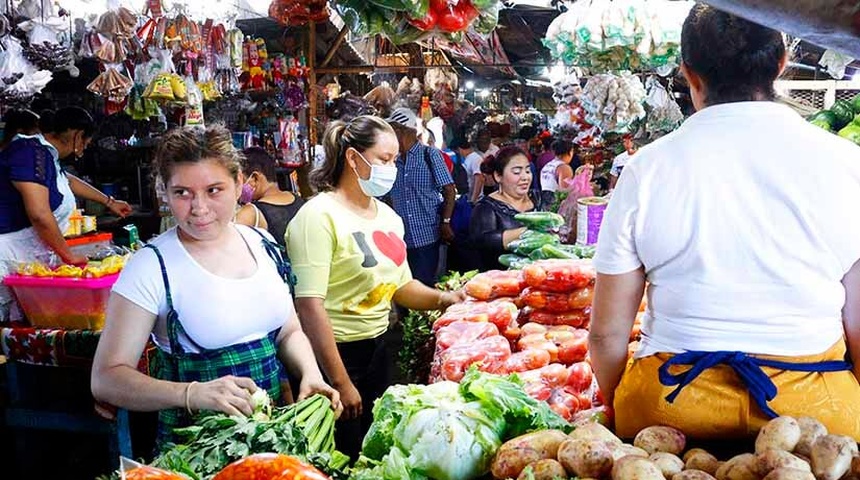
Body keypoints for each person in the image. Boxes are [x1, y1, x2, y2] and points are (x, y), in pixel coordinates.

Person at [589, 4, 860, 440]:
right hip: (814, 409)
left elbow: (606, 336)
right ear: (780, 64)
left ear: (689, 74)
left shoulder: (646, 169)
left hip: (671, 405)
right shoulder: (850, 163)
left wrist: (619, 405)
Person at [91, 125, 341, 450]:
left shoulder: (262, 244)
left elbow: (288, 331)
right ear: (163, 192)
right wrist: (191, 393)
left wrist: (310, 373)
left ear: (239, 184)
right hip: (196, 453)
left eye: (214, 190)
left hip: (272, 442)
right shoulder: (151, 267)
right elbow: (106, 378)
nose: (199, 208)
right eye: (182, 192)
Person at [285, 115, 466, 459]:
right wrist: (340, 381)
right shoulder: (318, 216)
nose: (392, 168)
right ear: (353, 158)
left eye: (395, 160)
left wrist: (446, 299)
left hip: (379, 349)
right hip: (333, 355)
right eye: (384, 160)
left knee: (375, 448)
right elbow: (309, 306)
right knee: (341, 454)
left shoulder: (387, 216)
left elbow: (402, 286)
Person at [0, 107, 131, 322]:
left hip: (23, 259)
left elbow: (68, 180)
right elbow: (40, 214)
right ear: (78, 136)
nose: (84, 148)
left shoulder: (46, 155)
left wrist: (109, 202)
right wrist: (67, 255)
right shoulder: (30, 152)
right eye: (86, 142)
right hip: (6, 255)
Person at [386, 107, 456, 287]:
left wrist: (446, 222)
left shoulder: (429, 155)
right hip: (400, 239)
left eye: (392, 131)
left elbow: (449, 189)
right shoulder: (393, 161)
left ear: (401, 131)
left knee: (424, 285)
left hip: (426, 235)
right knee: (402, 287)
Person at [469, 146, 539, 272]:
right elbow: (484, 241)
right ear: (498, 176)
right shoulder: (485, 209)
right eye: (517, 172)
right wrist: (532, 231)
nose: (525, 177)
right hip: (502, 282)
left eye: (528, 171)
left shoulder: (539, 199)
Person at [234, 147, 304, 249]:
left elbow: (229, 245)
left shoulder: (251, 213)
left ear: (255, 178)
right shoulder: (298, 200)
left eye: (240, 181)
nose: (238, 187)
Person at [540, 139, 575, 207]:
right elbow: (564, 193)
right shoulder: (564, 168)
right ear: (570, 152)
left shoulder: (547, 166)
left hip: (544, 203)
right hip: (555, 205)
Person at [456, 137, 484, 203]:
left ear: (460, 149)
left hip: (476, 199)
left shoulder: (475, 158)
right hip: (468, 197)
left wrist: (473, 200)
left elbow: (479, 179)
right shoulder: (467, 159)